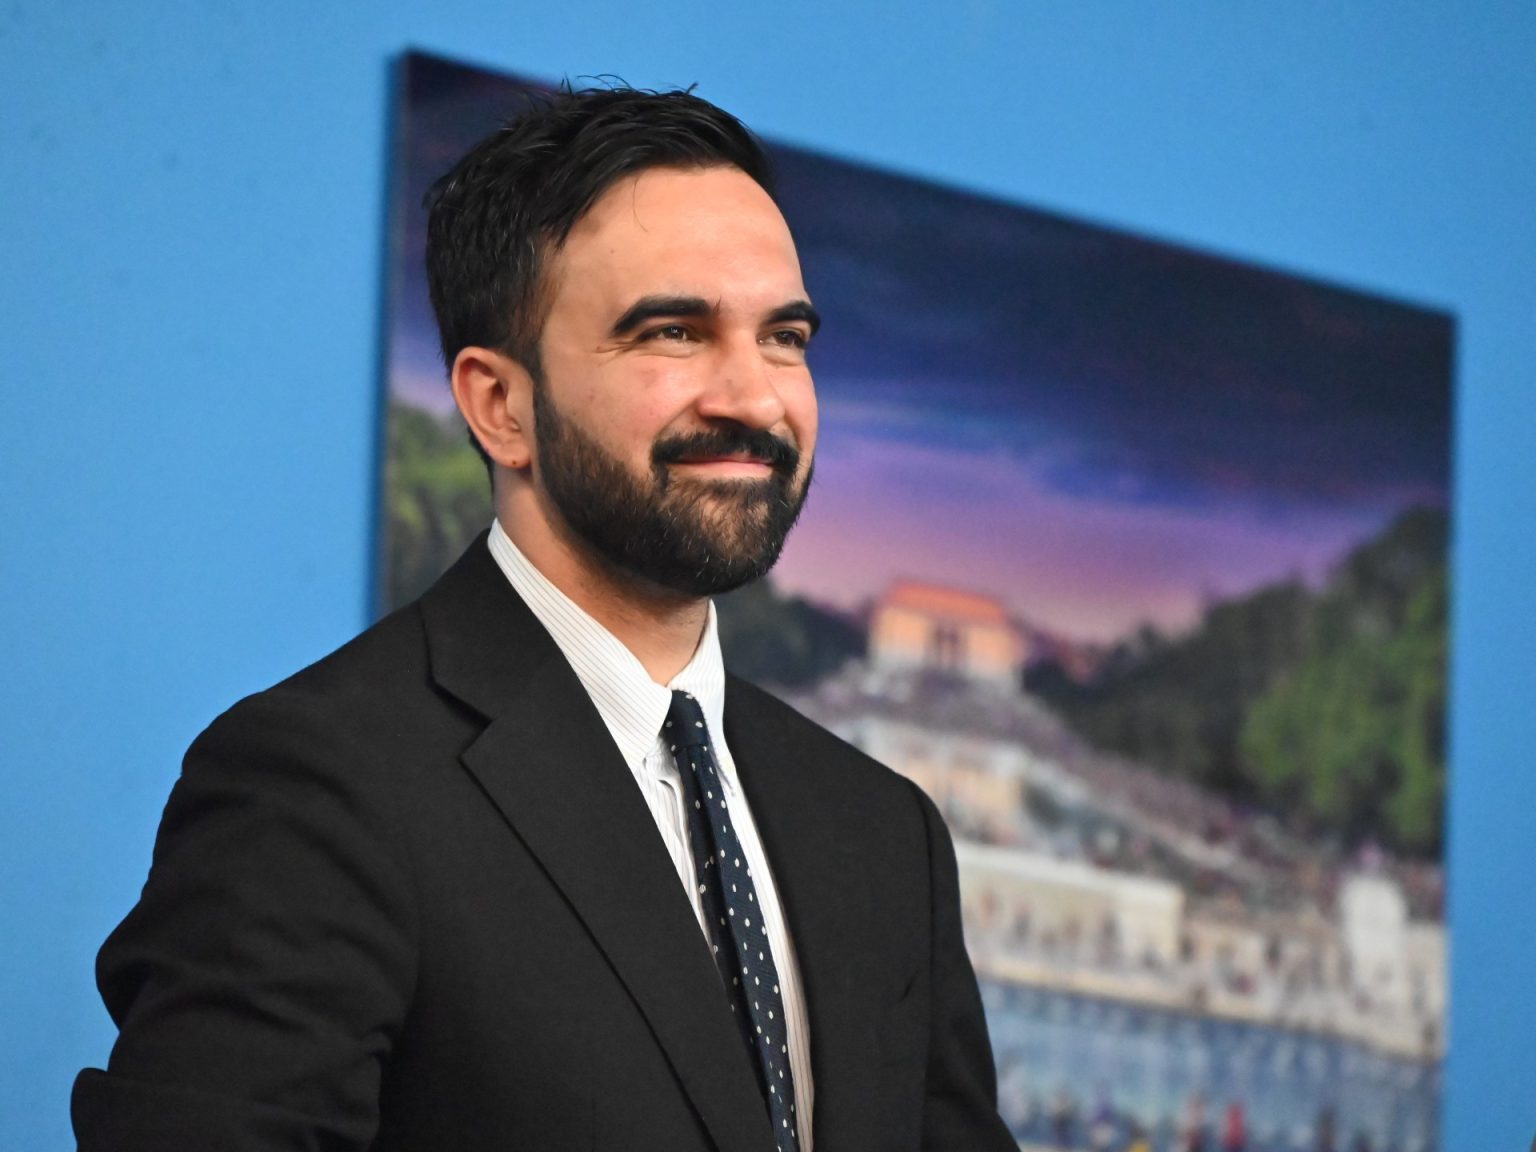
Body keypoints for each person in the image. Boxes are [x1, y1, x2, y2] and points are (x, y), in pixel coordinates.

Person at [72, 85, 1016, 1152]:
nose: (755, 398)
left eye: (784, 337)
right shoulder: (320, 783)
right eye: (673, 332)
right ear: (499, 406)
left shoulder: (883, 832)